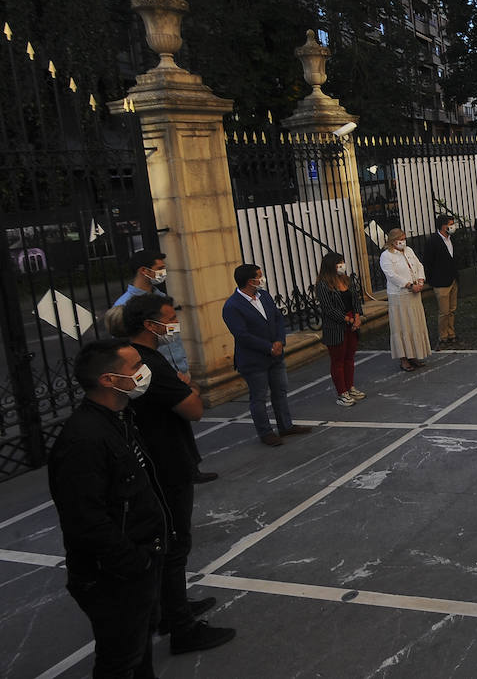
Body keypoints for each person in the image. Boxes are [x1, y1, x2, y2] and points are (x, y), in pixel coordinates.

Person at [122, 294, 235, 655]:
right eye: (170, 319)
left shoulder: (137, 358)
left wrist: (184, 388)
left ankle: (173, 607)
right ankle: (180, 628)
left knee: (168, 543)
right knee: (173, 543)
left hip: (159, 460)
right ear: (149, 324)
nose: (174, 325)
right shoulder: (147, 363)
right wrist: (190, 388)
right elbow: (194, 409)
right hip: (165, 464)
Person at [49, 339, 168, 679]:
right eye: (134, 367)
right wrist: (135, 562)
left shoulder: (119, 418)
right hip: (114, 575)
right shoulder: (83, 441)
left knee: (140, 644)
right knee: (120, 658)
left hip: (139, 561)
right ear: (108, 379)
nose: (143, 371)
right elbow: (85, 520)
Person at [107, 248, 215, 483]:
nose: (163, 273)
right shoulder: (126, 305)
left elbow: (172, 338)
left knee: (180, 423)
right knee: (163, 427)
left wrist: (183, 369)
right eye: (158, 269)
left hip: (176, 370)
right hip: (155, 375)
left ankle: (191, 467)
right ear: (143, 271)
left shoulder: (159, 297)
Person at [221, 263, 311, 447]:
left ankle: (285, 425)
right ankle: (265, 432)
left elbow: (277, 318)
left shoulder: (264, 296)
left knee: (280, 391)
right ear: (249, 281)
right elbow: (242, 335)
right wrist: (268, 347)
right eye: (259, 277)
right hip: (254, 360)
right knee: (259, 397)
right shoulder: (232, 306)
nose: (262, 280)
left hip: (275, 355)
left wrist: (279, 341)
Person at [314, 252, 364, 407]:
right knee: (338, 360)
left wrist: (356, 316)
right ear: (331, 265)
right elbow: (328, 309)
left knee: (349, 357)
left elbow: (355, 299)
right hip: (336, 326)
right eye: (339, 263)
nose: (342, 265)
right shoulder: (323, 285)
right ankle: (342, 392)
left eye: (343, 261)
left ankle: (350, 387)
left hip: (351, 324)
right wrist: (347, 319)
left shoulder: (346, 280)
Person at [379, 229, 430, 370]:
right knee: (402, 325)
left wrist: (420, 280)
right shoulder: (386, 255)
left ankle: (414, 355)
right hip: (399, 296)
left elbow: (419, 265)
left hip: (414, 294)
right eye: (400, 238)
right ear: (393, 240)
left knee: (415, 324)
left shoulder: (408, 250)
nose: (403, 241)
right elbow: (391, 274)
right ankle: (403, 359)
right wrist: (408, 285)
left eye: (404, 238)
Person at [422, 214, 461, 348]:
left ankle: (451, 333)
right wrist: (432, 280)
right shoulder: (433, 241)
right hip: (440, 282)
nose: (452, 226)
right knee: (444, 311)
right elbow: (428, 262)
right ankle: (443, 335)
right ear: (443, 226)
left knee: (452, 309)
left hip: (452, 279)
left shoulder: (451, 239)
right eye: (450, 224)